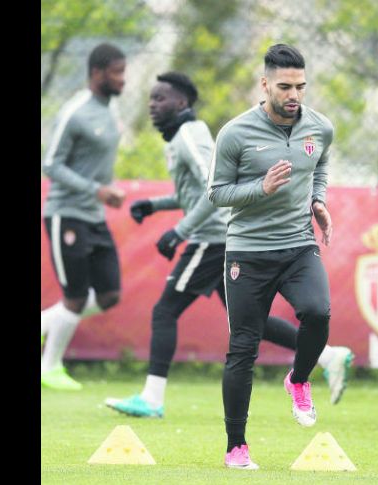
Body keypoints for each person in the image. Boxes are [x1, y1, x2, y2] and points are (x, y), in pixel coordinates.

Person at [103, 72, 353, 419]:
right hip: (221, 238)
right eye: (150, 100)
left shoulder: (191, 136)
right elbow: (197, 192)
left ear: (182, 103)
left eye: (160, 99)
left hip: (214, 238)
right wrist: (156, 204)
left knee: (165, 311)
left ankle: (152, 397)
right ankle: (327, 355)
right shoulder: (182, 136)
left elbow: (214, 191)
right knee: (251, 324)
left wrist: (179, 231)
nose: (153, 107)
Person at [207, 44, 334, 470]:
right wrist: (259, 189)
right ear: (265, 84)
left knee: (317, 313)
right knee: (242, 349)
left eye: (300, 85)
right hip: (248, 252)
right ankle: (236, 447)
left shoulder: (320, 128)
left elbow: (320, 166)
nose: (293, 93)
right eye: (284, 86)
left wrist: (317, 201)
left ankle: (298, 380)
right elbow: (218, 194)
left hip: (298, 245)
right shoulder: (235, 133)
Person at [41, 43, 128, 391]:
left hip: (94, 215)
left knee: (109, 294)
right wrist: (97, 190)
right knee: (74, 297)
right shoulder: (75, 111)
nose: (123, 80)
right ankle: (50, 367)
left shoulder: (112, 108)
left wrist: (106, 190)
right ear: (96, 73)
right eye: (117, 73)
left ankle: (48, 325)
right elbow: (50, 164)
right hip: (66, 214)